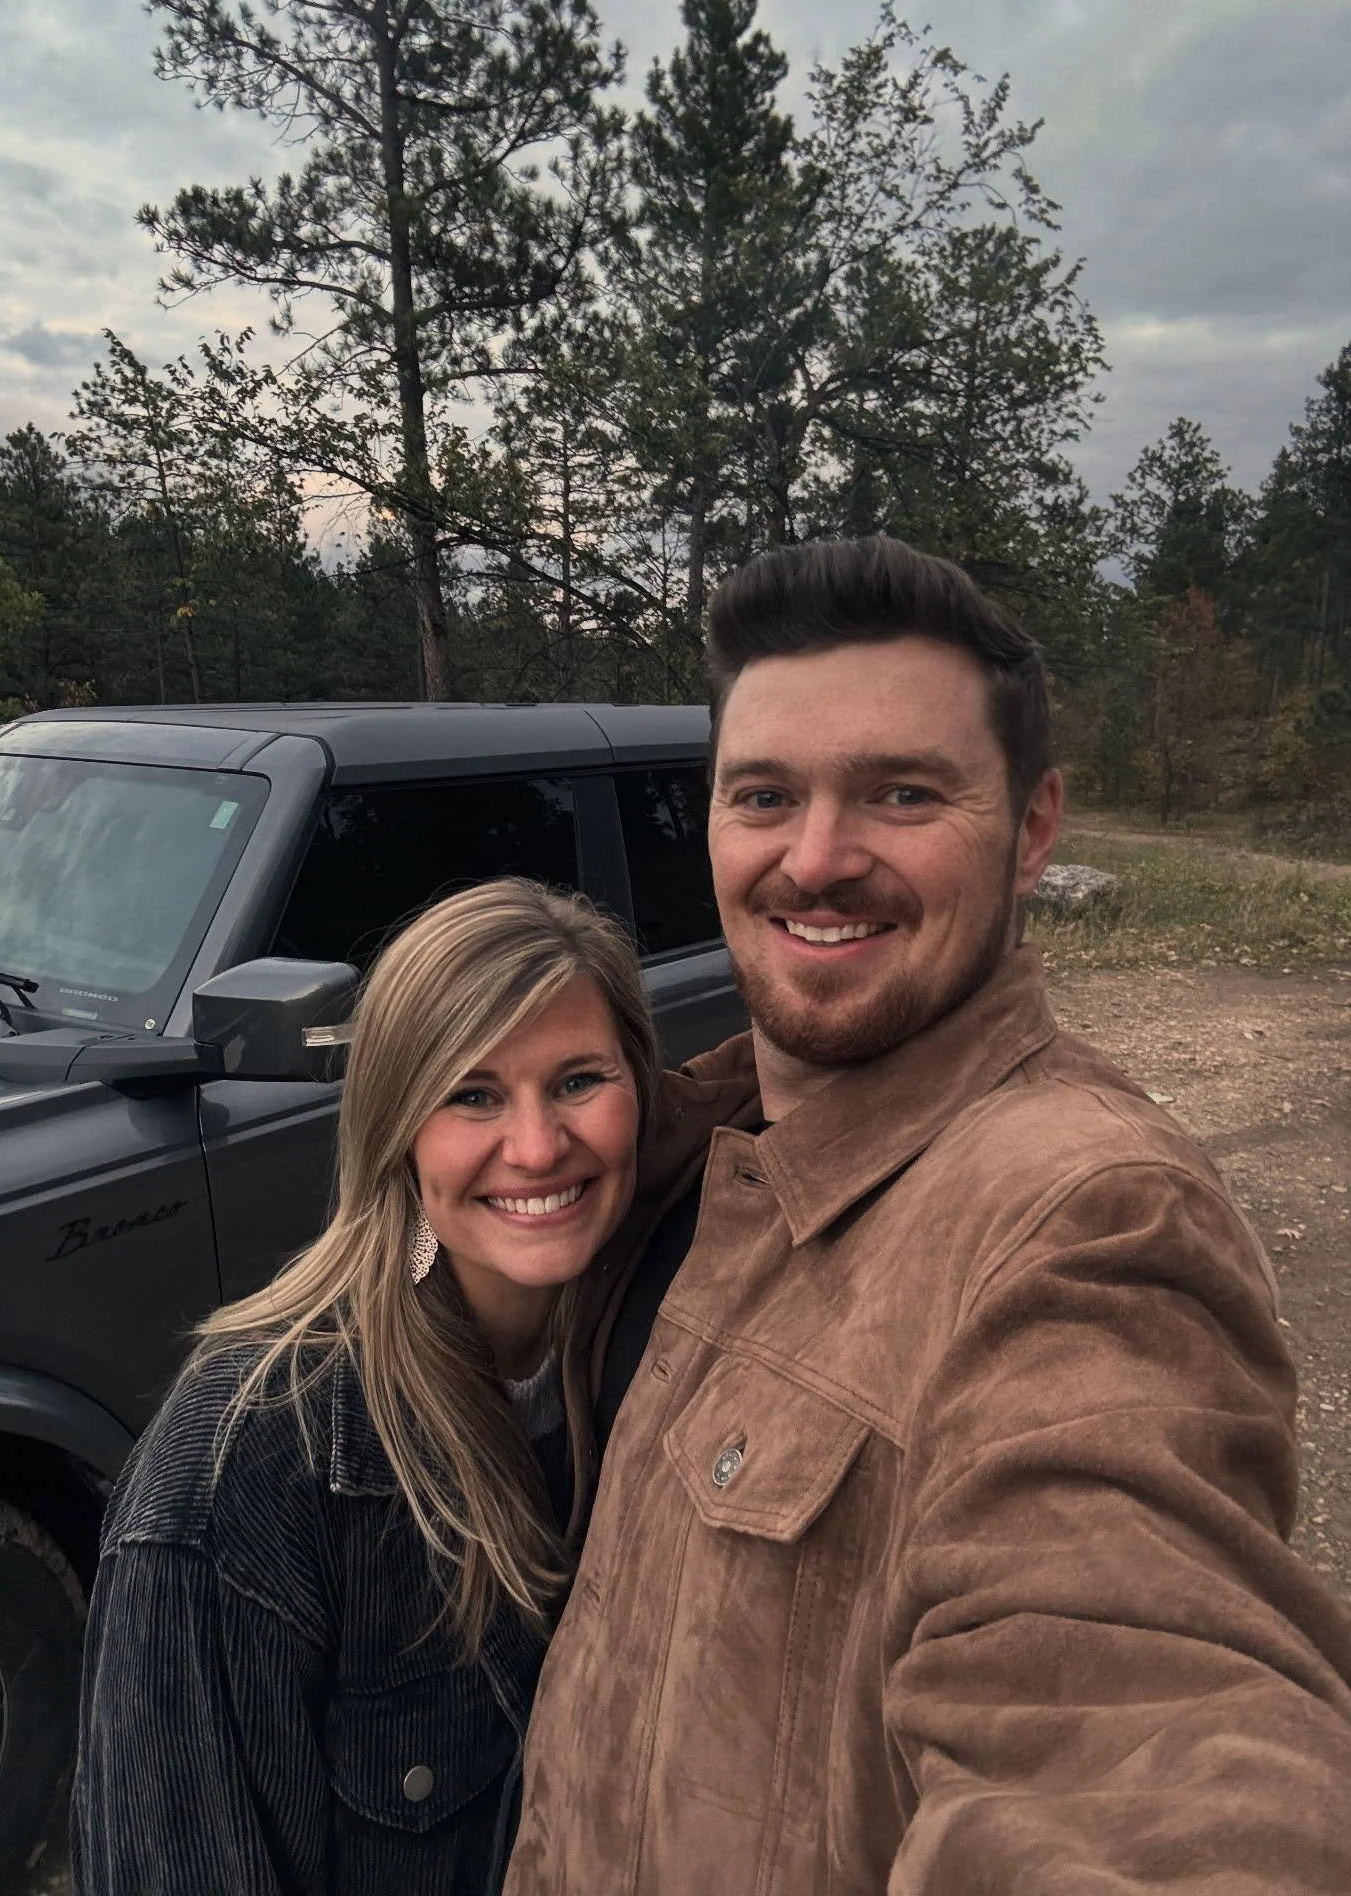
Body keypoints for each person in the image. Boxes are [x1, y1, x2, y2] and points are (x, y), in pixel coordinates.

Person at [506, 535, 1351, 1896]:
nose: (818, 859)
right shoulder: (677, 1154)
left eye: (902, 792)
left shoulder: (1082, 1224)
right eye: (765, 795)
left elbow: (1132, 1721)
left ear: (1033, 830)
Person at [70, 877, 755, 1896]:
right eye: (472, 1094)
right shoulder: (239, 1473)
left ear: (642, 1093)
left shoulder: (664, 1353)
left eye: (578, 1081)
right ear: (396, 1123)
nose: (534, 1146)